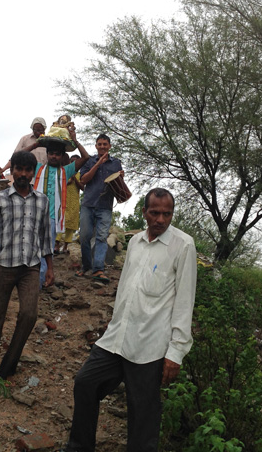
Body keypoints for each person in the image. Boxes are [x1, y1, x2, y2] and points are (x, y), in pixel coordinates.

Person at [64, 188, 197, 452]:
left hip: (150, 345)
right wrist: (115, 321)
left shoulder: (183, 246)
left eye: (167, 214)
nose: (160, 219)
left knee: (143, 414)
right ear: (144, 212)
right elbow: (125, 286)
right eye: (155, 213)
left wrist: (176, 352)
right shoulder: (135, 242)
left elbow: (185, 301)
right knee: (86, 383)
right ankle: (79, 447)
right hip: (117, 339)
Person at [0, 151, 54, 379]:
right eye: (19, 169)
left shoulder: (42, 201)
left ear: (33, 173)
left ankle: (7, 367)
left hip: (30, 267)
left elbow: (45, 237)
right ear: (12, 170)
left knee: (29, 315)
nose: (23, 174)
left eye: (27, 170)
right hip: (3, 266)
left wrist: (50, 268)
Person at [23, 117, 90, 286]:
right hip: (34, 216)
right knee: (30, 249)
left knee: (46, 252)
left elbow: (86, 157)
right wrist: (38, 143)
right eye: (51, 153)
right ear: (47, 154)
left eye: (57, 154)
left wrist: (75, 140)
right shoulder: (38, 167)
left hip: (52, 219)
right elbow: (20, 156)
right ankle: (28, 283)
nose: (53, 156)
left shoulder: (66, 171)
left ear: (62, 156)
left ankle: (38, 285)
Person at [77, 134, 123, 283]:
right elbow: (83, 180)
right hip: (88, 204)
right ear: (96, 146)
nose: (102, 147)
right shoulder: (89, 161)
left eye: (105, 144)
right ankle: (86, 266)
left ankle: (98, 269)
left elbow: (119, 184)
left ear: (109, 146)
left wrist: (121, 177)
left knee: (102, 237)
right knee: (84, 236)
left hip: (105, 206)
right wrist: (98, 164)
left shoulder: (116, 163)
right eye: (100, 144)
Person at [55, 154, 84, 254]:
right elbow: (58, 184)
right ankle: (56, 244)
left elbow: (83, 187)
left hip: (74, 201)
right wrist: (69, 180)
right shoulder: (64, 171)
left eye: (76, 161)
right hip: (63, 200)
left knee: (71, 224)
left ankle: (66, 246)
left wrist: (75, 179)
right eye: (72, 161)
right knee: (61, 221)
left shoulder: (81, 174)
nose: (74, 163)